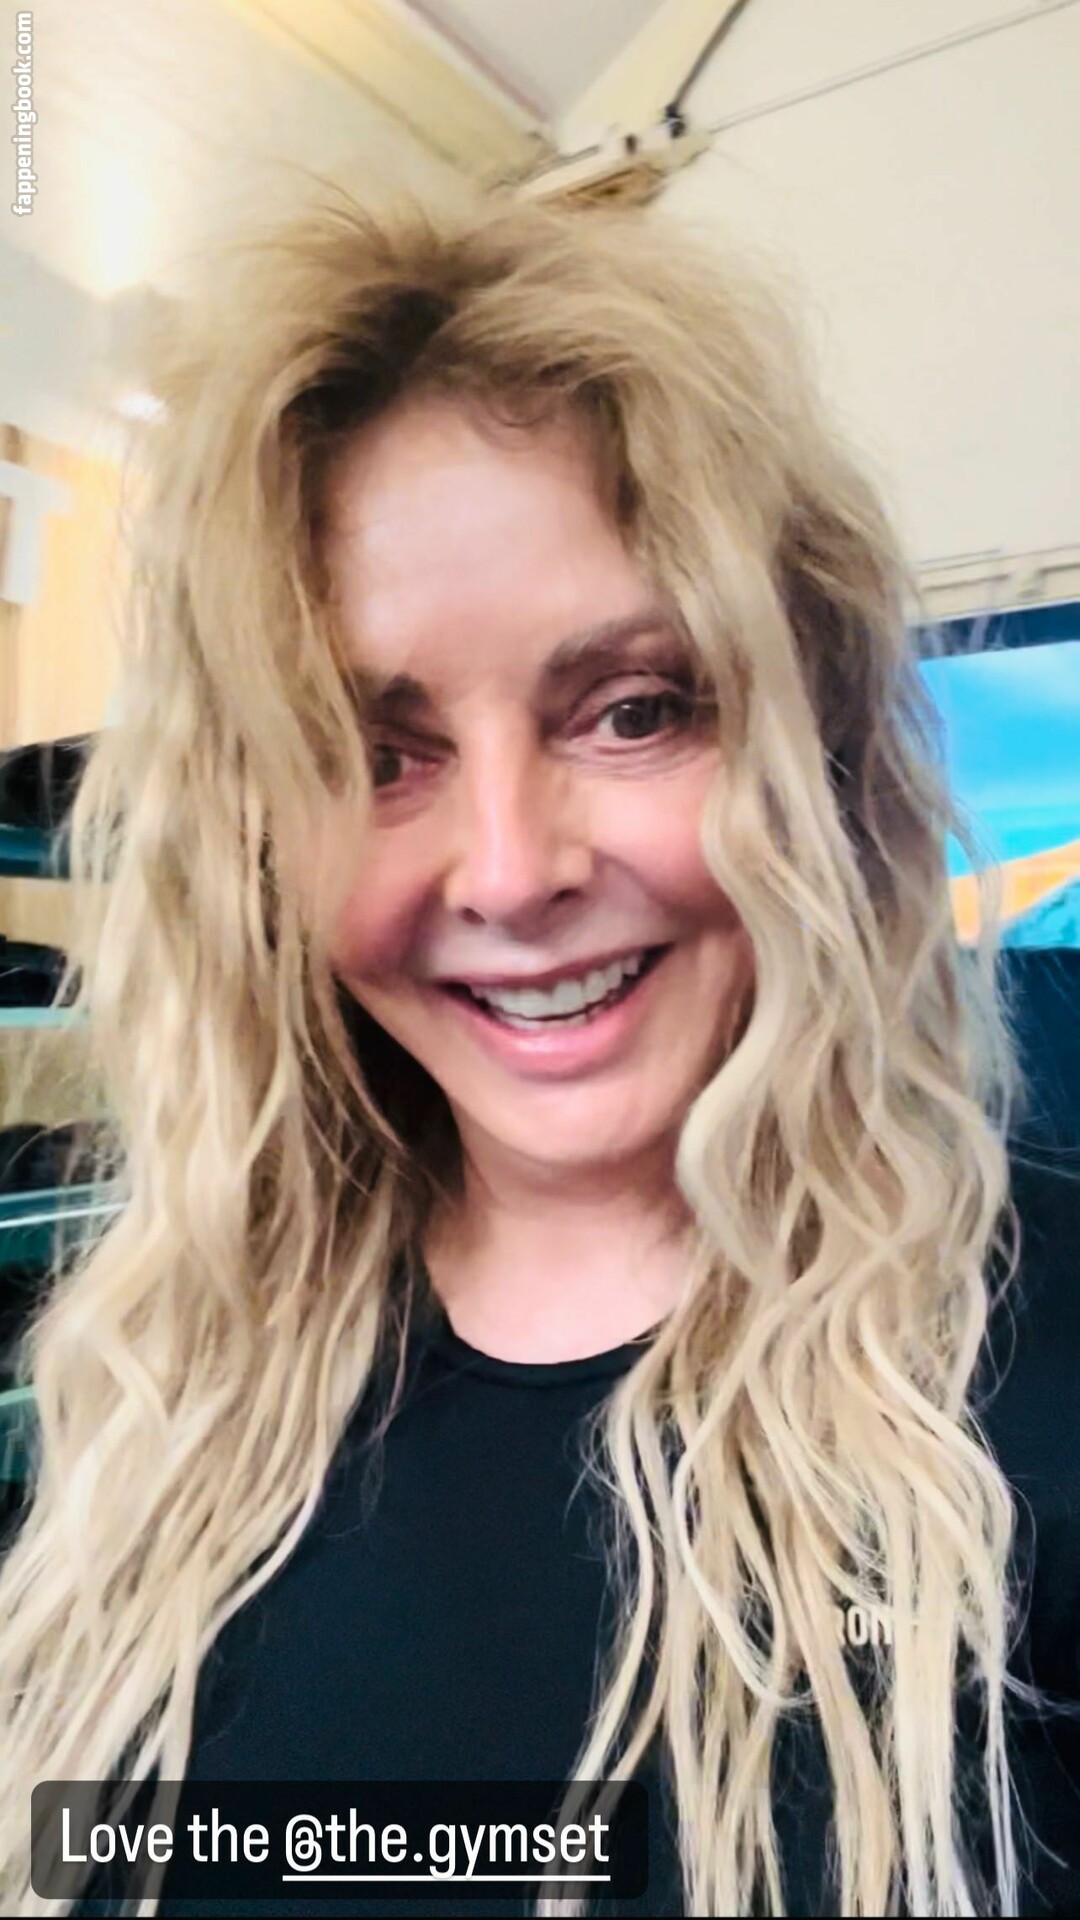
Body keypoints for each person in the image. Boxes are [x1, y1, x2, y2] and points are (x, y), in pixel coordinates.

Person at [0, 184, 1077, 1919]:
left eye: (632, 710)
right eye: (378, 753)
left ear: (815, 747)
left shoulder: (1040, 1384)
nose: (508, 873)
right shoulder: (166, 1388)